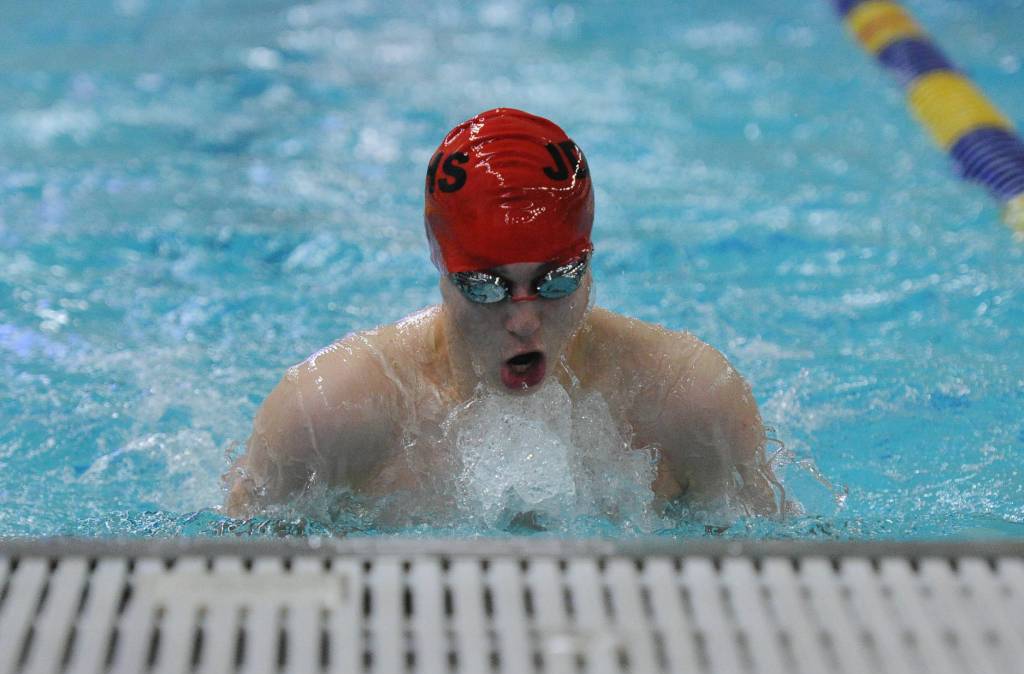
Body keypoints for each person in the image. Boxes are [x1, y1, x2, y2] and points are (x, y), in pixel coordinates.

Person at [224, 107, 784, 521]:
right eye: (487, 288)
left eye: (556, 281)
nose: (523, 321)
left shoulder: (688, 401)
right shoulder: (327, 415)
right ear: (440, 268)